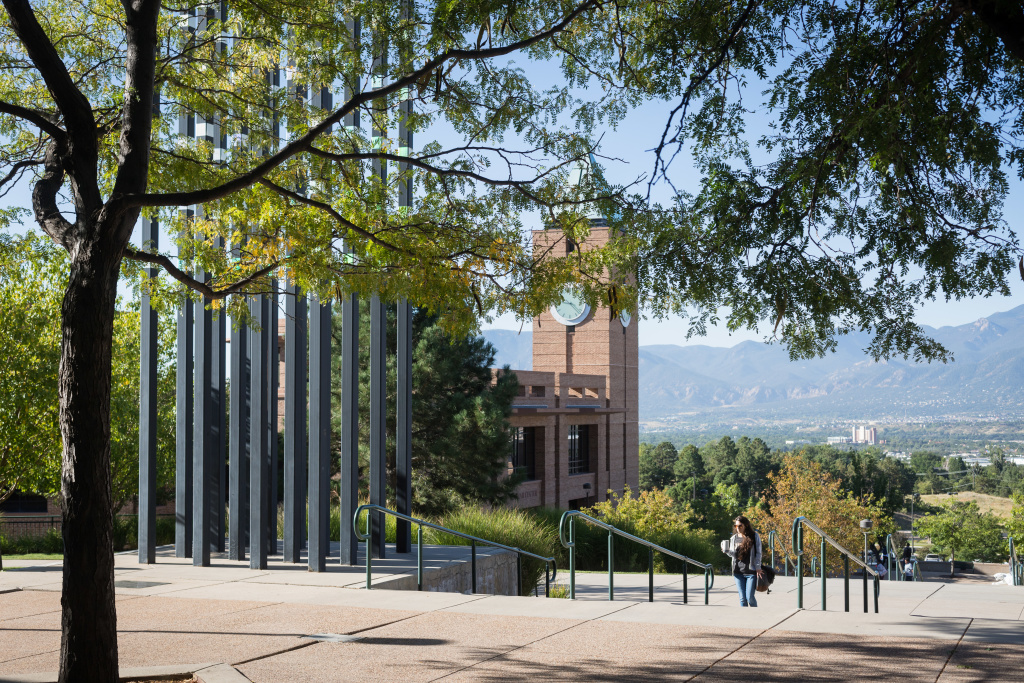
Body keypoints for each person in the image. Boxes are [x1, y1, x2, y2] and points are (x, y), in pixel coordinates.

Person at [721, 515, 763, 607]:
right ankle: (745, 619)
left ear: (746, 526)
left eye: (740, 526)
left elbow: (759, 553)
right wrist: (726, 551)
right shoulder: (733, 538)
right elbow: (733, 555)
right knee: (742, 599)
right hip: (738, 572)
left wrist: (758, 567)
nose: (738, 528)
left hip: (751, 572)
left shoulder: (754, 536)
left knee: (750, 597)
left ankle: (755, 615)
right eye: (736, 526)